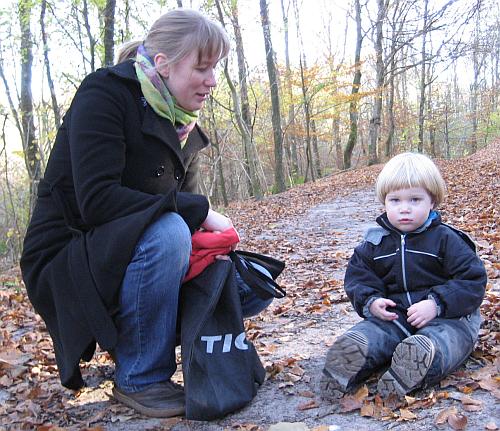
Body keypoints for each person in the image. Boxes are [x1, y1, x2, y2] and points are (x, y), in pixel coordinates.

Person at [20, 9, 267, 419]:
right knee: (170, 231)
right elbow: (96, 202)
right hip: (67, 252)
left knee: (211, 254)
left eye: (215, 69)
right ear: (164, 64)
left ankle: (161, 348)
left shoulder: (184, 127)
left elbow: (181, 212)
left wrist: (209, 239)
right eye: (202, 68)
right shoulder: (105, 94)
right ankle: (140, 376)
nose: (212, 81)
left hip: (121, 250)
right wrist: (199, 211)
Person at [320, 152, 487, 399]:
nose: (404, 208)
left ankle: (417, 363)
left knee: (442, 341)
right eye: (395, 200)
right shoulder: (375, 244)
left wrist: (436, 303)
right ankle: (348, 360)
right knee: (373, 333)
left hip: (450, 318)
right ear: (384, 202)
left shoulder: (447, 239)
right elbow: (358, 278)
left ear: (432, 201)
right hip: (396, 317)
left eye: (415, 199)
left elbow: (472, 280)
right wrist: (371, 302)